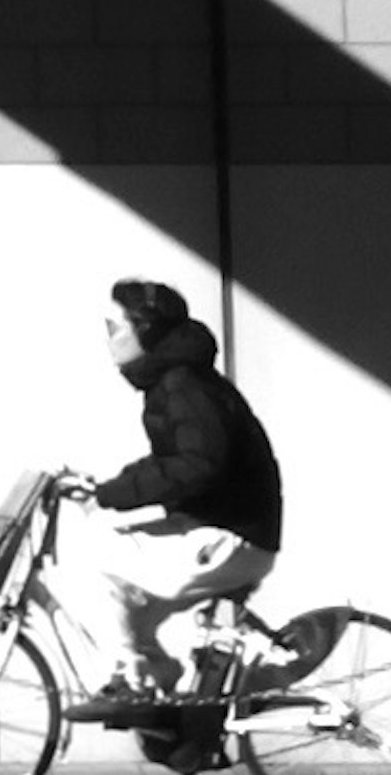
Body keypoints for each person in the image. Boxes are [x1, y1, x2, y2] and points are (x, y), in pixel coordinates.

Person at [62, 279, 285, 719]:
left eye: (115, 326)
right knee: (129, 607)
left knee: (92, 557)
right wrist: (106, 489)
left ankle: (130, 681)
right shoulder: (174, 381)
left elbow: (198, 463)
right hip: (224, 527)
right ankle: (163, 694)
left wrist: (110, 493)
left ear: (145, 330)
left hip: (233, 536)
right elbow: (180, 461)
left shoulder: (182, 384)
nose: (109, 338)